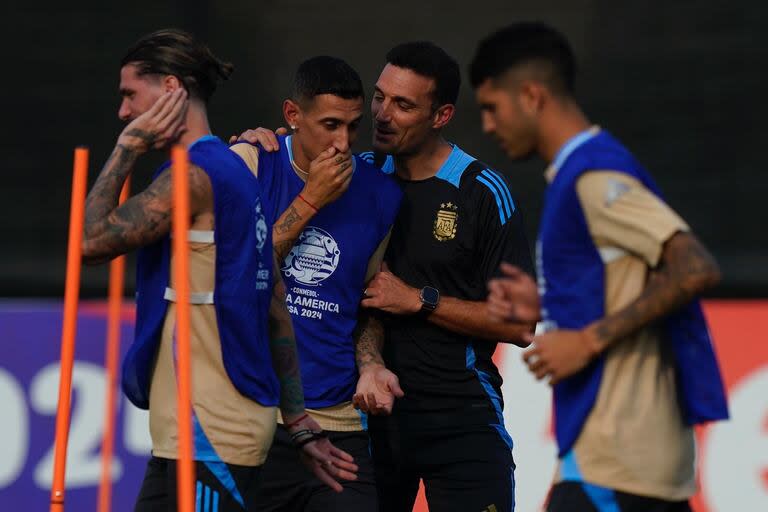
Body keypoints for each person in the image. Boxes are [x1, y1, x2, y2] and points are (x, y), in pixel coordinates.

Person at [81, 29, 357, 511]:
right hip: (189, 435)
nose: (124, 111)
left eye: (130, 94)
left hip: (210, 433)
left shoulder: (197, 174)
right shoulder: (236, 169)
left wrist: (127, 146)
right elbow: (273, 300)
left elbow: (90, 242)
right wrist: (295, 420)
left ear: (170, 90)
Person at [470, 22, 729, 512]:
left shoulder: (594, 175)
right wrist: (551, 304)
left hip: (616, 463)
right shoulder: (579, 172)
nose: (487, 124)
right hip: (621, 465)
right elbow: (628, 281)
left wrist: (586, 341)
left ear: (530, 95)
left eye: (491, 107)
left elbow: (694, 266)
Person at [229, 56, 403, 511]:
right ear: (292, 116)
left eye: (353, 126)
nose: (343, 142)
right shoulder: (249, 164)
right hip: (254, 420)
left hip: (339, 425)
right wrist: (311, 200)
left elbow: (369, 301)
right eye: (329, 125)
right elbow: (242, 276)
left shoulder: (381, 195)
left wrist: (369, 362)